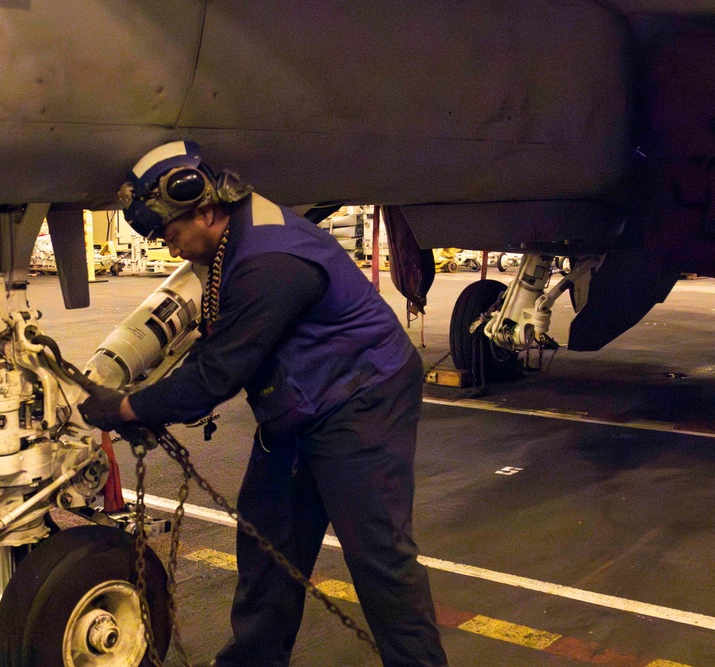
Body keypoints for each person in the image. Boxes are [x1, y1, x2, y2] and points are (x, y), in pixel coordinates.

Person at [80, 141, 449, 666]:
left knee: (380, 557)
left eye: (172, 233)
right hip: (298, 404)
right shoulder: (233, 239)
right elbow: (215, 345)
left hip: (361, 398)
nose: (170, 248)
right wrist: (149, 402)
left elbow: (217, 373)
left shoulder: (269, 262)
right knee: (268, 544)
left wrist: (126, 409)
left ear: (206, 209)